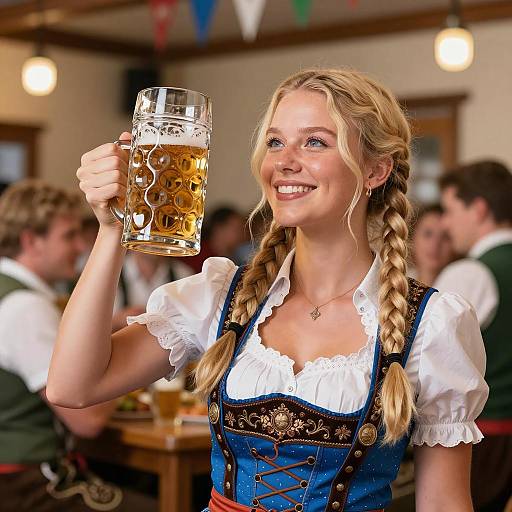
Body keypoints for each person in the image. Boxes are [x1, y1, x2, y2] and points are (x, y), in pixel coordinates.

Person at [48, 68, 488, 512]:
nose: (283, 161)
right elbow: (72, 387)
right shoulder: (222, 297)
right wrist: (111, 232)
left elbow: (445, 504)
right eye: (276, 142)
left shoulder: (430, 324)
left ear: (375, 170)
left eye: (314, 141)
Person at [0, 180, 156, 512]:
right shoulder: (26, 307)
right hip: (23, 485)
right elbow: (87, 419)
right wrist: (139, 353)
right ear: (31, 241)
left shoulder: (11, 292)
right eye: (68, 236)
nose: (80, 247)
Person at [435, 160, 512, 512]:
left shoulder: (470, 273)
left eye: (451, 210)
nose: (446, 224)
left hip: (485, 440)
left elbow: (428, 363)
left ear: (478, 209)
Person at [409, 204, 455, 286]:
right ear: (412, 239)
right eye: (428, 234)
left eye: (445, 236)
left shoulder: (462, 286)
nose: (435, 244)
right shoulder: (396, 284)